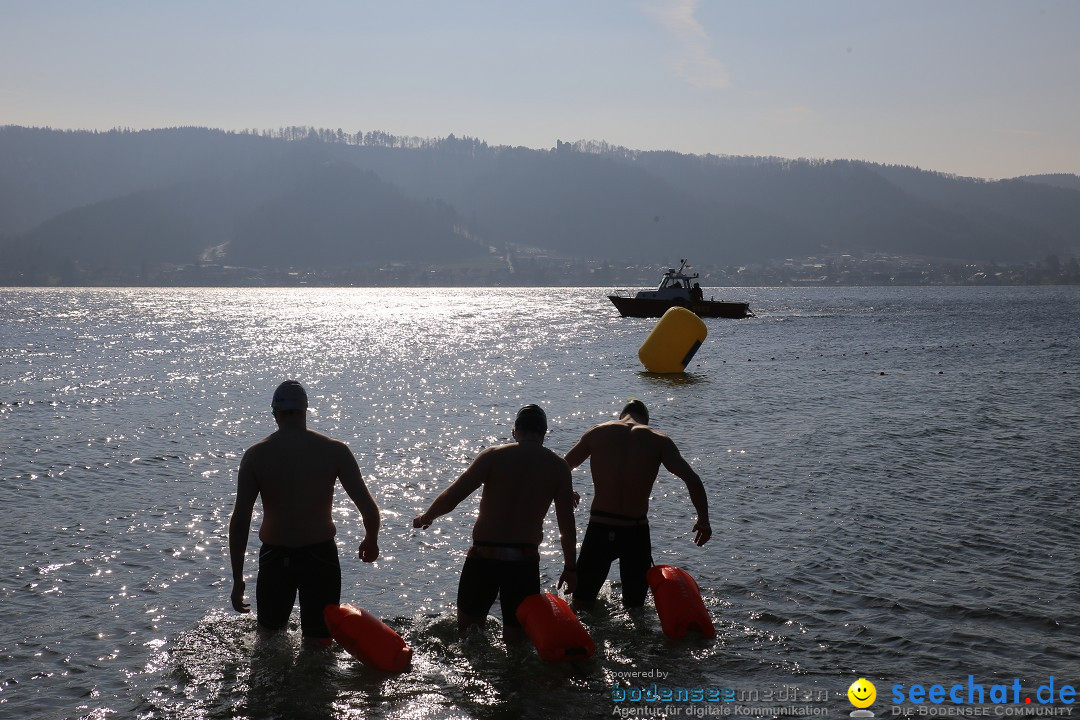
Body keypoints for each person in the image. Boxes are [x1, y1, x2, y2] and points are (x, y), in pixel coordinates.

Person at [229, 380, 381, 646]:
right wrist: (371, 539)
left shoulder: (256, 455)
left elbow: (240, 521)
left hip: (275, 558)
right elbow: (368, 508)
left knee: (268, 644)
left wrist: (238, 579)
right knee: (319, 646)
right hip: (320, 558)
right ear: (305, 411)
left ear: (275, 413)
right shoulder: (335, 451)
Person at [413, 404, 577, 639]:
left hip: (484, 557)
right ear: (543, 433)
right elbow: (566, 526)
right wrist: (571, 568)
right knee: (517, 642)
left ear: (516, 431)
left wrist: (425, 518)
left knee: (469, 636)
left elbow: (453, 496)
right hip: (524, 562)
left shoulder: (494, 456)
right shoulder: (558, 467)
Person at [564, 399, 710, 611]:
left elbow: (561, 467)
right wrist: (703, 520)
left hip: (600, 528)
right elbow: (693, 480)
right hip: (635, 532)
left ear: (622, 414)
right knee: (635, 609)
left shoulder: (597, 432)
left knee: (582, 604)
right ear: (646, 419)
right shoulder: (659, 439)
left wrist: (567, 491)